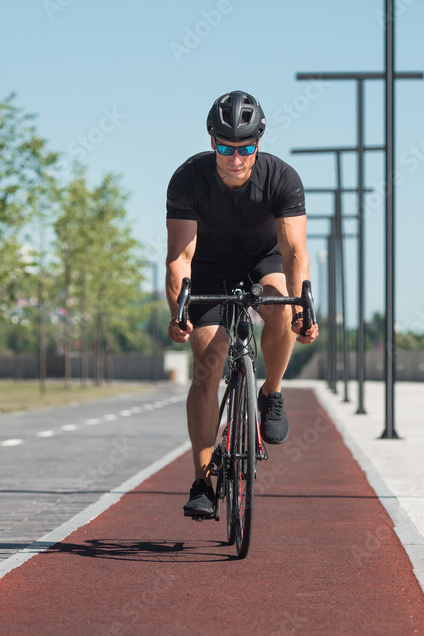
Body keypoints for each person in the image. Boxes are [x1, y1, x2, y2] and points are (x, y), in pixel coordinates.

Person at [166, 90, 319, 518]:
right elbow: (179, 257)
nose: (236, 158)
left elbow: (294, 255)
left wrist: (305, 307)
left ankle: (271, 392)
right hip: (208, 268)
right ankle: (202, 483)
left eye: (247, 148)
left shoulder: (282, 178)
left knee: (280, 305)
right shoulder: (188, 178)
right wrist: (178, 310)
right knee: (208, 360)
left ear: (259, 143)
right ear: (212, 141)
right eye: (226, 148)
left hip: (262, 261)